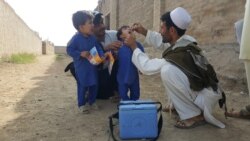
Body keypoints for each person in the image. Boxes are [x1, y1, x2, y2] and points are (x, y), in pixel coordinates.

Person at [125, 7, 225, 128]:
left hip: (204, 99)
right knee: (172, 71)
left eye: (162, 28)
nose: (160, 31)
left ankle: (193, 115)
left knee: (168, 71)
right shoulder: (187, 41)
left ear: (172, 30)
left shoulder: (178, 56)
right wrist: (144, 31)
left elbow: (146, 67)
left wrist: (133, 46)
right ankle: (180, 106)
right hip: (206, 93)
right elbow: (163, 42)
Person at [67, 11, 104, 113]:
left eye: (92, 23)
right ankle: (82, 104)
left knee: (94, 84)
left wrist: (101, 55)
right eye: (90, 23)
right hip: (81, 68)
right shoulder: (75, 39)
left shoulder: (93, 38)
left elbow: (98, 47)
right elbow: (69, 50)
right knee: (83, 85)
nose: (93, 25)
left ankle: (92, 102)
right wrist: (80, 54)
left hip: (92, 67)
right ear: (81, 27)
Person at [92, 12, 121, 101]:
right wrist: (105, 49)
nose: (102, 26)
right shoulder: (88, 41)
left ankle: (116, 91)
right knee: (75, 66)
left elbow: (130, 40)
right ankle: (90, 90)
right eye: (97, 25)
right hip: (97, 73)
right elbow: (93, 61)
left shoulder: (114, 35)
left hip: (110, 73)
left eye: (102, 22)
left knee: (117, 60)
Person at [116, 26, 144, 100]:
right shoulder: (119, 46)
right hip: (122, 76)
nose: (129, 29)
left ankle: (133, 107)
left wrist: (141, 68)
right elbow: (113, 56)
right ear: (121, 36)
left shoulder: (138, 45)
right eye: (125, 29)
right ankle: (127, 105)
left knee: (136, 94)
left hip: (134, 76)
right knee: (122, 94)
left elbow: (142, 57)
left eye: (129, 28)